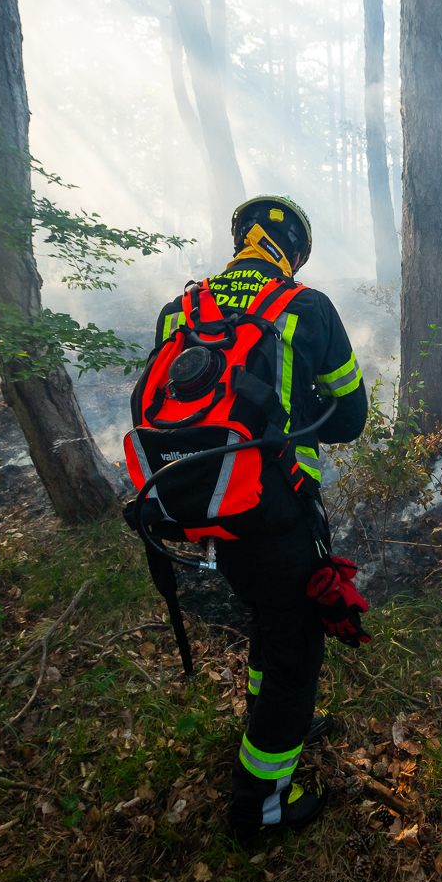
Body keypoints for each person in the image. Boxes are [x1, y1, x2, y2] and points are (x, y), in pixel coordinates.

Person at [148, 194, 369, 841]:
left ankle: (272, 721)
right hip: (277, 513)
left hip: (203, 505)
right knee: (295, 649)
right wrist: (307, 394)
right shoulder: (305, 307)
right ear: (293, 254)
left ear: (240, 240)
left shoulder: (180, 311)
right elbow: (351, 420)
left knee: (268, 627)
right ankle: (261, 805)